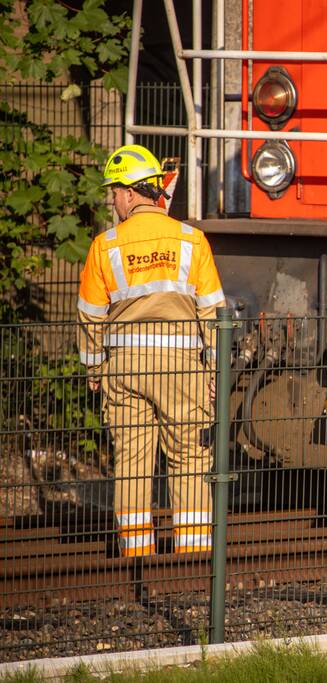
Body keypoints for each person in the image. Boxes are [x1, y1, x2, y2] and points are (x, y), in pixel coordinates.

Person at [77, 144, 225, 557]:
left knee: (131, 463)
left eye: (114, 192)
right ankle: (194, 558)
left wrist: (94, 369)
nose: (112, 200)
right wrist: (214, 372)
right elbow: (214, 314)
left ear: (128, 193)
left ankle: (137, 554)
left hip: (123, 370)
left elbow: (90, 317)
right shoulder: (192, 241)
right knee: (190, 460)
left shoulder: (104, 246)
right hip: (183, 371)